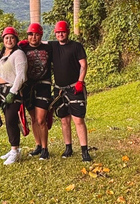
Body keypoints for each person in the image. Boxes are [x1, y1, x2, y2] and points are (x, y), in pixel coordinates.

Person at [50, 20, 91, 162]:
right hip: (59, 89)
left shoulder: (76, 46)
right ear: (55, 33)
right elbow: (38, 44)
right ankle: (68, 147)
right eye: (58, 32)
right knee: (64, 119)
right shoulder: (53, 46)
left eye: (63, 32)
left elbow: (83, 65)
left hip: (74, 87)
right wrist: (24, 44)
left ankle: (84, 150)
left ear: (67, 32)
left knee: (78, 119)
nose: (60, 34)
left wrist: (80, 81)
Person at [19, 23, 54, 160]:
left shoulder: (48, 47)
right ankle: (38, 145)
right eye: (31, 34)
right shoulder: (22, 48)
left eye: (37, 34)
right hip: (28, 86)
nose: (34, 37)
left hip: (43, 85)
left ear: (41, 35)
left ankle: (45, 148)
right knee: (33, 118)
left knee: (41, 119)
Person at [0, 26, 28, 165]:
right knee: (9, 121)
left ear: (16, 40)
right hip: (2, 92)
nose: (9, 40)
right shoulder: (2, 54)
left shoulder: (18, 54)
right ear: (3, 40)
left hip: (12, 92)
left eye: (12, 38)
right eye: (7, 38)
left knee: (11, 120)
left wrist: (13, 93)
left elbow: (21, 75)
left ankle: (15, 150)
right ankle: (13, 148)